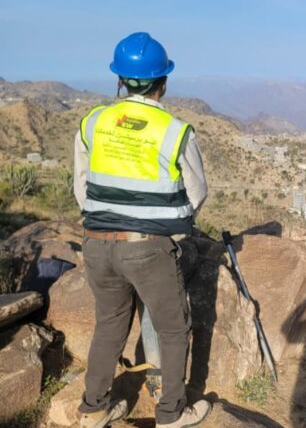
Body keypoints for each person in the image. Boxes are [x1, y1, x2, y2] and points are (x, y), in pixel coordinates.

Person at [73, 32, 211, 428]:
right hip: (149, 247)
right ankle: (170, 413)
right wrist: (165, 224)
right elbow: (197, 192)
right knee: (173, 328)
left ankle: (93, 409)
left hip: (97, 243)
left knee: (109, 325)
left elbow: (81, 187)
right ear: (162, 82)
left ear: (119, 79)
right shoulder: (175, 130)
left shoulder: (92, 122)